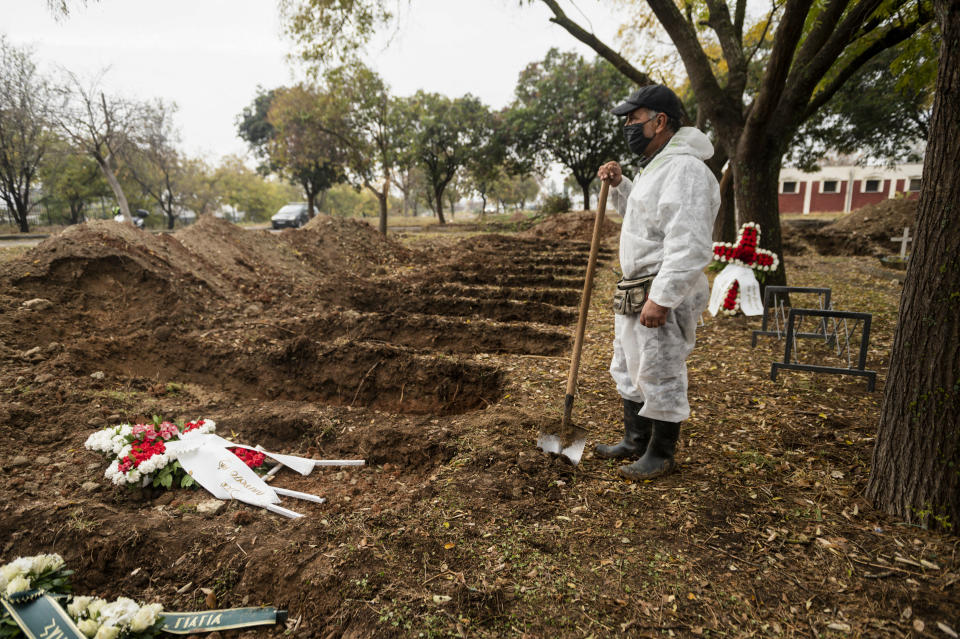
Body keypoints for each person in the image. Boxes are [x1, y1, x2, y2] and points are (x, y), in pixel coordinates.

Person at [594, 85, 720, 480]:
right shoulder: (658, 166)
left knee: (660, 369)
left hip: (658, 289)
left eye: (634, 119)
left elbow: (689, 242)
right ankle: (635, 440)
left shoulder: (686, 170)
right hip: (637, 287)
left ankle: (661, 453)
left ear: (659, 121)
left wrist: (662, 299)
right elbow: (645, 215)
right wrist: (620, 184)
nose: (629, 127)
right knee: (630, 364)